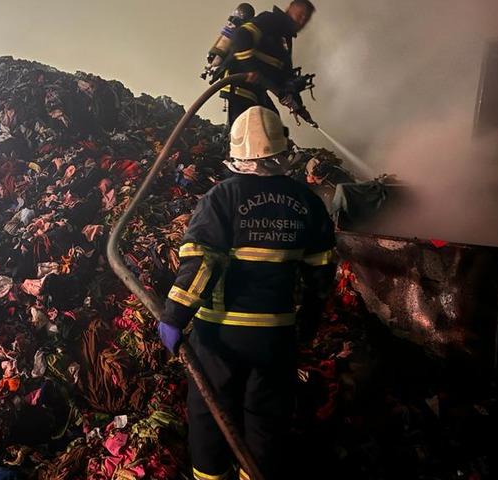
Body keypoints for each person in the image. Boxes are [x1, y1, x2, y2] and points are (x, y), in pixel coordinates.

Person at [157, 106, 336, 479]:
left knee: (211, 417)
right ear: (282, 149)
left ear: (237, 152)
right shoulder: (307, 202)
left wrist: (174, 317)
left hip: (221, 336)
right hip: (276, 337)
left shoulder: (222, 198)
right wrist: (310, 319)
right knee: (266, 421)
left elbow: (202, 264)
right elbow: (321, 269)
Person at [221, 1, 316, 127]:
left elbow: (285, 76)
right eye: (300, 15)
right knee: (248, 130)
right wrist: (251, 69)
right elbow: (242, 35)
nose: (302, 20)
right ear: (289, 10)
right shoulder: (271, 20)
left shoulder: (285, 41)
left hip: (257, 90)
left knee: (275, 125)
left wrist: (299, 107)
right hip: (239, 84)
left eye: (306, 18)